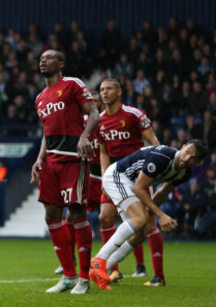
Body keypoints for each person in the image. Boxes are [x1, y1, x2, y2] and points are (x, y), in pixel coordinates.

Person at [90, 140, 208, 290]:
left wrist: (151, 213)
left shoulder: (185, 173)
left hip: (129, 184)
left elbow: (163, 192)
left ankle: (100, 271)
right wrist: (160, 215)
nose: (186, 158)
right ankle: (99, 259)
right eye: (187, 152)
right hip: (117, 177)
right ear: (183, 147)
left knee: (140, 233)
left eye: (193, 158)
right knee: (140, 218)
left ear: (198, 162)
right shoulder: (163, 158)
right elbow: (140, 188)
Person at [30, 49, 99, 294]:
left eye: (48, 58)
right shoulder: (39, 98)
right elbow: (46, 134)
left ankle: (83, 277)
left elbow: (94, 113)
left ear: (60, 63)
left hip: (73, 159)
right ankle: (68, 275)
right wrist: (39, 158)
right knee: (51, 214)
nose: (42, 60)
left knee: (78, 211)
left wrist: (84, 137)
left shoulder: (72, 84)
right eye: (41, 58)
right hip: (51, 162)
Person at [97, 78, 161, 284]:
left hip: (137, 173)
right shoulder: (99, 120)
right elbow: (103, 152)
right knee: (104, 217)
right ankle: (112, 270)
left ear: (119, 92)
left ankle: (158, 275)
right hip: (114, 175)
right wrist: (104, 178)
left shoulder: (134, 114)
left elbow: (154, 143)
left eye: (108, 89)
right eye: (101, 90)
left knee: (147, 223)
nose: (104, 93)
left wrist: (155, 171)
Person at [55, 91, 103, 276]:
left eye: (94, 100)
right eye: (88, 99)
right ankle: (71, 261)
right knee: (71, 217)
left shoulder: (102, 121)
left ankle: (117, 265)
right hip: (85, 172)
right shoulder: (77, 120)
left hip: (102, 175)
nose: (90, 102)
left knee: (108, 217)